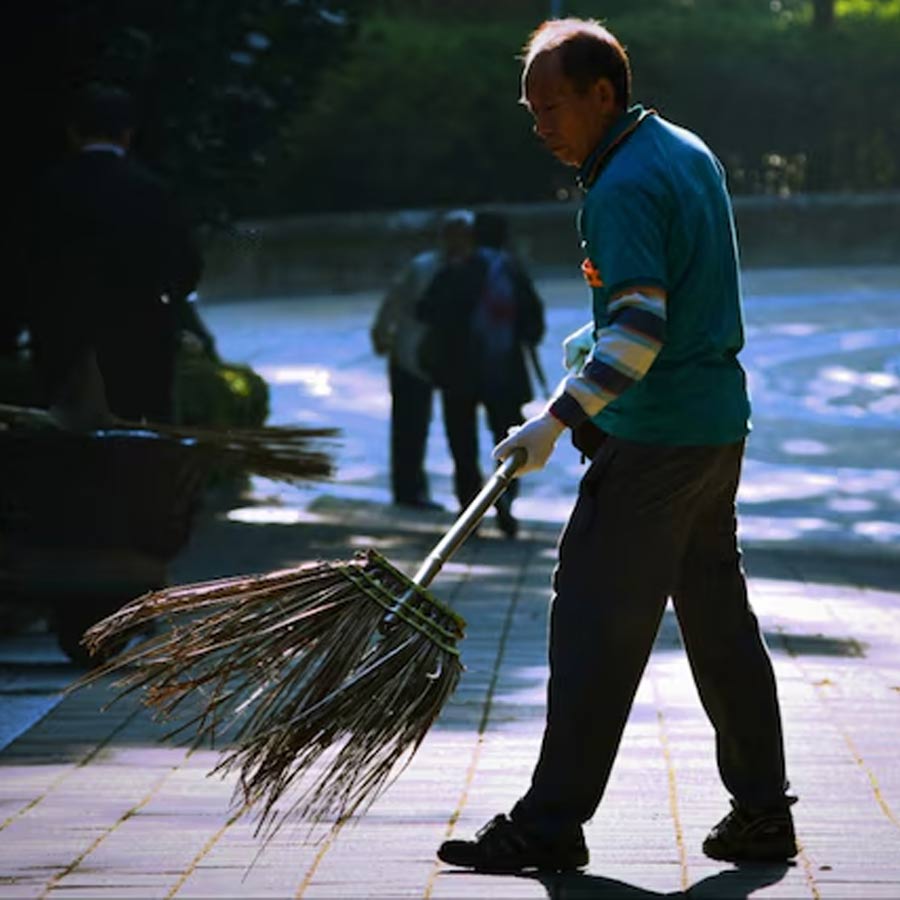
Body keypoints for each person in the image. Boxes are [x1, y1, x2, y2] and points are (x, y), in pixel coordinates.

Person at [438, 18, 796, 871]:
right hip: (713, 428)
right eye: (532, 112)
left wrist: (556, 422)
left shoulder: (622, 183)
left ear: (604, 94)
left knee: (594, 620)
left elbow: (639, 327)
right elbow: (659, 312)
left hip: (658, 439)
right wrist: (572, 376)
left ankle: (550, 823)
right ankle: (761, 813)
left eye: (553, 106)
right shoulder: (683, 151)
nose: (542, 126)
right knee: (716, 622)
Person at [26, 82, 204, 427]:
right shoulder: (152, 190)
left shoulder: (48, 191)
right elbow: (186, 265)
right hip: (140, 340)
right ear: (127, 134)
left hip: (63, 341)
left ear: (73, 132)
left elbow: (25, 265)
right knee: (143, 435)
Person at [417, 211, 545, 537]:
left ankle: (468, 511)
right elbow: (533, 323)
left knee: (462, 446)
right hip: (503, 372)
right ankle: (504, 500)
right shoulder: (511, 270)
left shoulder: (456, 270)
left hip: (457, 373)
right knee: (508, 441)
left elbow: (425, 310)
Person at [371, 210, 476, 509]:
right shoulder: (423, 267)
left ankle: (416, 490)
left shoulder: (468, 268)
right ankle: (408, 490)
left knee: (434, 427)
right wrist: (381, 334)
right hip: (410, 355)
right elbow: (393, 304)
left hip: (441, 358)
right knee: (410, 428)